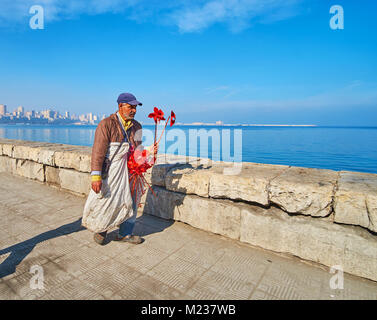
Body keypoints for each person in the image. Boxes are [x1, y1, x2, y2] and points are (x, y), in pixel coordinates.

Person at [81, 92, 157, 245]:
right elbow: (98, 151)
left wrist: (149, 151)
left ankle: (125, 234)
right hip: (112, 172)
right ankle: (101, 229)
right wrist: (95, 176)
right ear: (120, 106)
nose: (134, 110)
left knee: (132, 203)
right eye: (130, 107)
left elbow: (137, 151)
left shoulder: (137, 126)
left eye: (135, 108)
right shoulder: (106, 124)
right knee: (108, 200)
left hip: (131, 172)